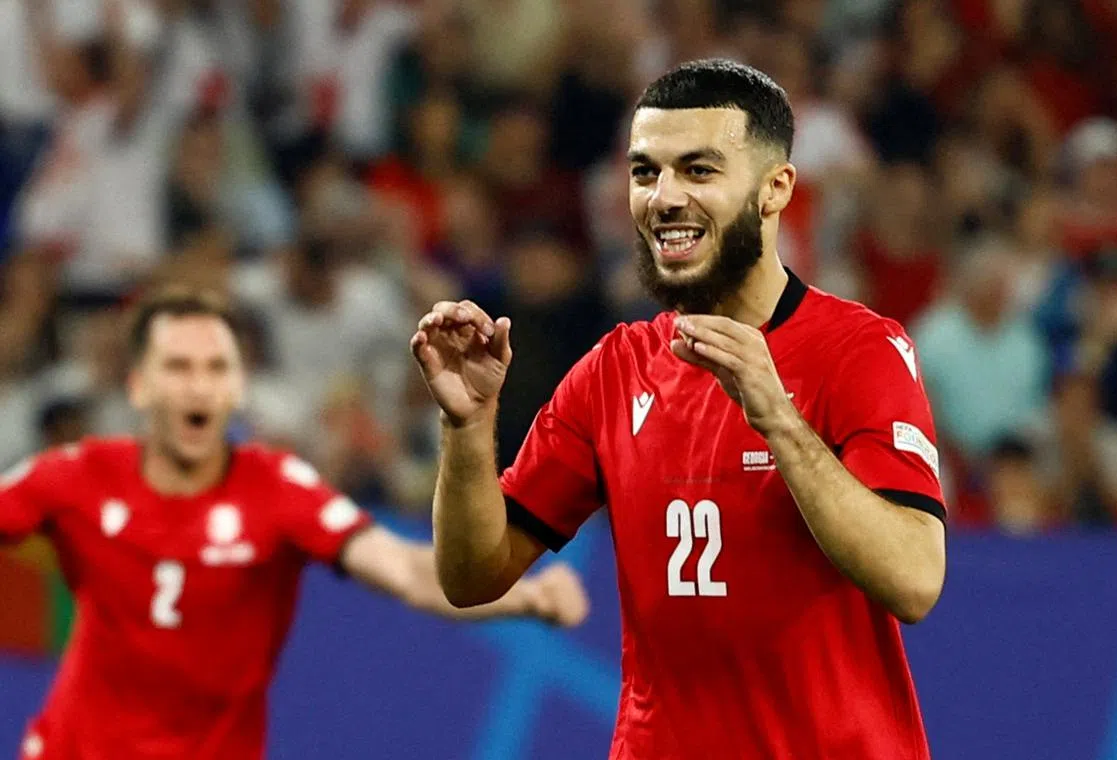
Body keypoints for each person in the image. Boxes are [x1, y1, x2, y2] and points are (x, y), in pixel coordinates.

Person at [411, 59, 946, 760]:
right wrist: (468, 426)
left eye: (698, 170)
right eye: (645, 172)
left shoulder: (860, 351)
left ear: (774, 189)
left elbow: (913, 579)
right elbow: (472, 576)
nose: (663, 197)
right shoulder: (614, 368)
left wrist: (779, 420)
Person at [1, 288, 588, 760]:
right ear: (139, 385)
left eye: (216, 367)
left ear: (237, 386)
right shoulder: (77, 476)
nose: (198, 385)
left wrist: (527, 598)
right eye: (177, 367)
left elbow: (409, 572)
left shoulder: (277, 489)